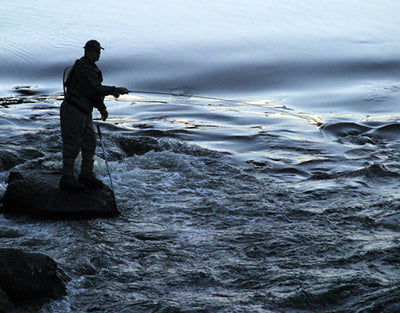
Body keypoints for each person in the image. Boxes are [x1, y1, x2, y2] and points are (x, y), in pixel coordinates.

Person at [60, 39, 129, 190]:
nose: (98, 54)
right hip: (73, 110)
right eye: (96, 51)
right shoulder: (83, 67)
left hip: (85, 111)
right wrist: (114, 89)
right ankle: (67, 178)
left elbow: (93, 94)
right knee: (72, 145)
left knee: (90, 143)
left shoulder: (92, 68)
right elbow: (95, 88)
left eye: (99, 51)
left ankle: (86, 175)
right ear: (88, 51)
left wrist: (102, 108)